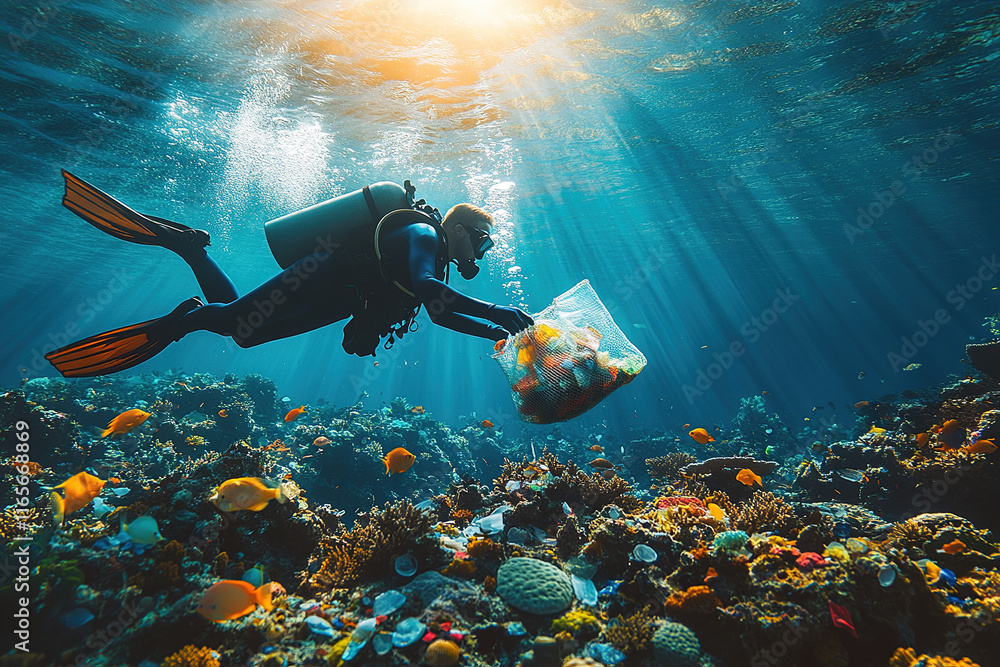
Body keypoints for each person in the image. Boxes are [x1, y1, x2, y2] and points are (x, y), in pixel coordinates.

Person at [45, 171, 534, 377]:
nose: (484, 253)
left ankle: (194, 253)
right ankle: (182, 319)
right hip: (321, 272)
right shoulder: (427, 235)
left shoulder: (438, 254)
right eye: (484, 240)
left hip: (339, 296)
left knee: (244, 335)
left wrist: (500, 336)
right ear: (464, 227)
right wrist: (499, 312)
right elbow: (430, 291)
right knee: (234, 320)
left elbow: (441, 313)